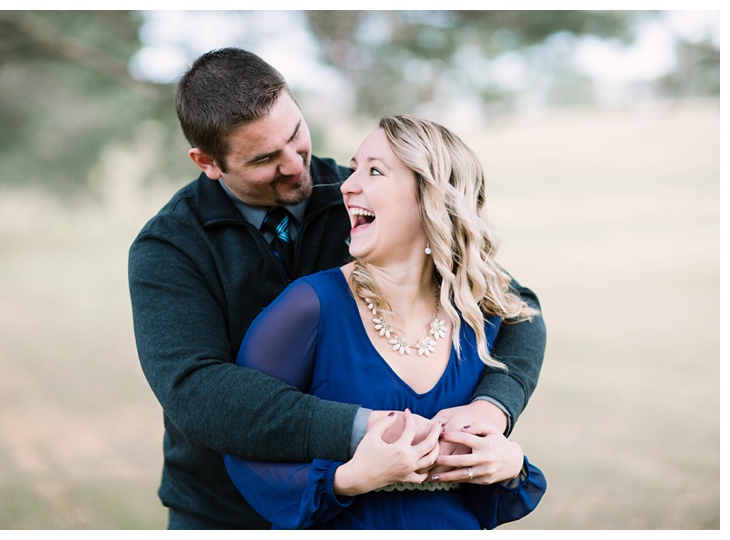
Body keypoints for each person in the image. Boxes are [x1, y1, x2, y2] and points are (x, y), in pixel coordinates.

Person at [128, 47, 546, 529]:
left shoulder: (359, 196)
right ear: (208, 162)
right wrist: (370, 429)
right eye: (265, 158)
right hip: (224, 511)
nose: (294, 164)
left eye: (294, 135)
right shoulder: (169, 247)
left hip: (354, 513)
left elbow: (515, 307)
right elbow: (196, 391)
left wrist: (493, 406)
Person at [222, 114, 546, 529]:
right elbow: (246, 443)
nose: (347, 184)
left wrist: (507, 460)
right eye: (354, 167)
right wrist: (348, 479)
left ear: (431, 199)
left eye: (374, 171)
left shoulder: (479, 312)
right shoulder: (309, 307)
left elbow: (527, 314)